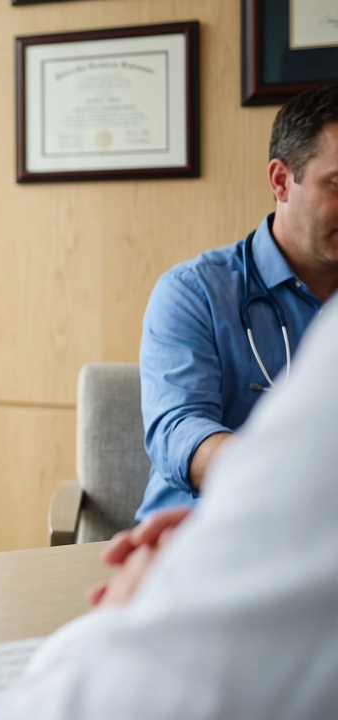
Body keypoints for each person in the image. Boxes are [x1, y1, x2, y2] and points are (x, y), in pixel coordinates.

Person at [0, 297, 338, 720]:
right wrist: (243, 507)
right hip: (180, 554)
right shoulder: (197, 291)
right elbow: (179, 428)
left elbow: (73, 707)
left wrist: (112, 624)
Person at [137, 85, 338, 520]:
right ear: (281, 181)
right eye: (337, 184)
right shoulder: (194, 292)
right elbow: (179, 432)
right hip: (197, 543)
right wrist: (293, 477)